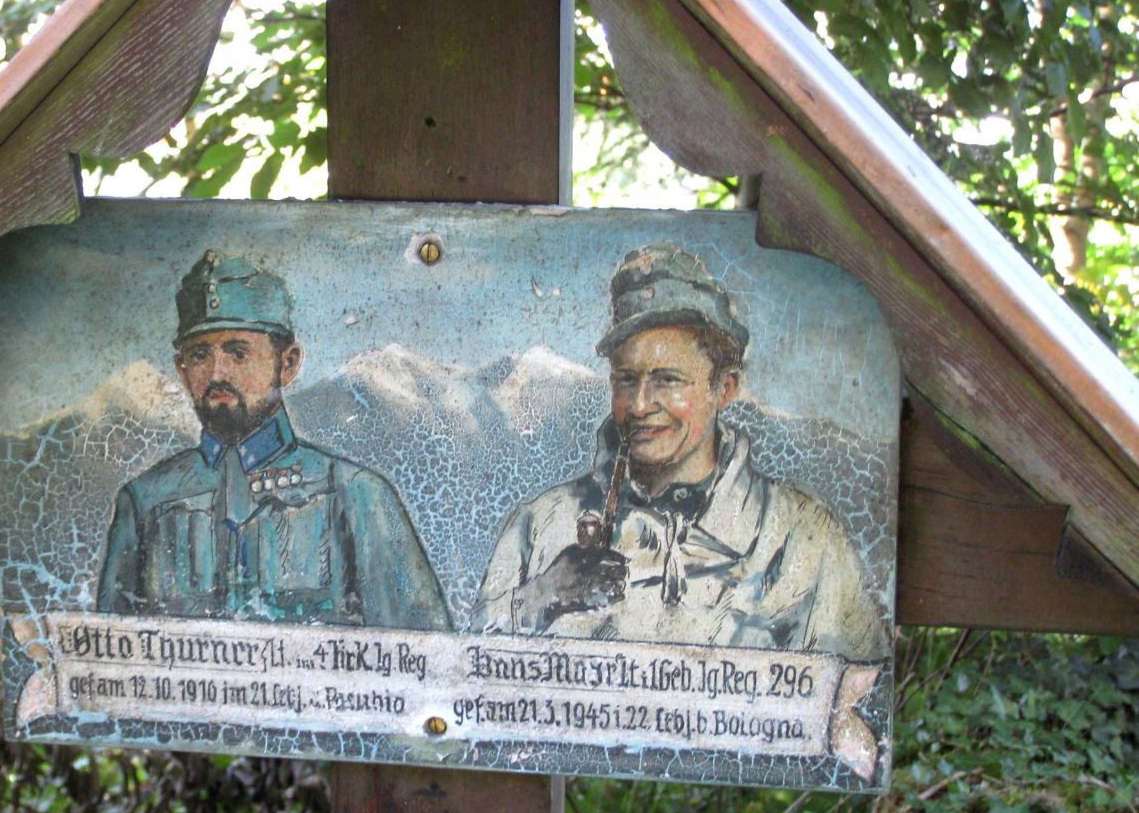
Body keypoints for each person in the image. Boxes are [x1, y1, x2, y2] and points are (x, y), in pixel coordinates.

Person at [475, 242, 885, 661]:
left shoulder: (802, 536)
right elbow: (462, 678)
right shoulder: (541, 524)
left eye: (667, 380)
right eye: (626, 380)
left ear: (723, 390)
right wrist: (542, 598)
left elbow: (857, 697)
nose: (638, 405)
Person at [97, 249, 450, 630]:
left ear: (289, 363)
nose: (218, 372)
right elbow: (108, 657)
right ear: (181, 370)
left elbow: (424, 660)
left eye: (238, 352)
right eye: (200, 355)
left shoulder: (354, 492)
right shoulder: (146, 500)